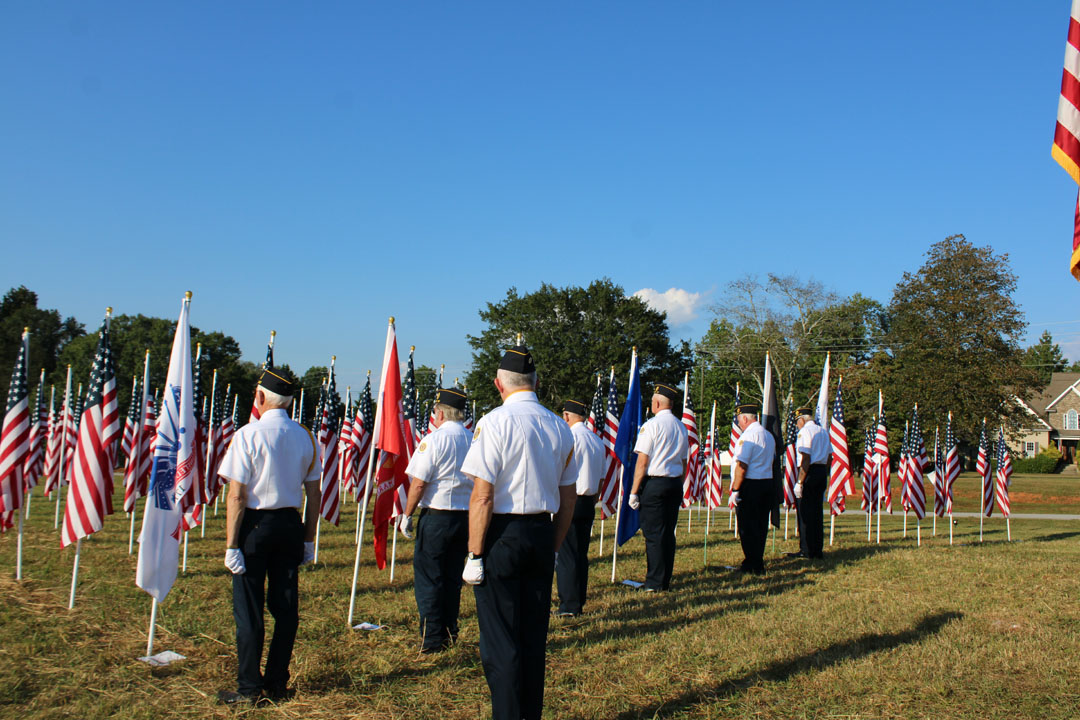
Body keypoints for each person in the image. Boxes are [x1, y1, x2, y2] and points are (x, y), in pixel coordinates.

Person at [460, 345, 577, 720]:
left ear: (498, 384)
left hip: (502, 535)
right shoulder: (560, 426)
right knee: (532, 639)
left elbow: (482, 496)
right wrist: (555, 545)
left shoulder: (492, 423)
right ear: (536, 381)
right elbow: (568, 496)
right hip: (543, 532)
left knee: (500, 641)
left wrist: (475, 555)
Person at [216, 367, 321, 705]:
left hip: (255, 527)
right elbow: (314, 494)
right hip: (290, 525)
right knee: (286, 608)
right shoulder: (305, 436)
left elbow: (236, 496)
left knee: (249, 611)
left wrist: (232, 544)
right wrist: (308, 539)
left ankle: (248, 688)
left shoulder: (248, 435)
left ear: (261, 398)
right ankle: (277, 682)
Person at [399, 386, 473, 653]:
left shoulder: (434, 439)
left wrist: (407, 514)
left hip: (437, 517)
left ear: (440, 413)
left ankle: (431, 639)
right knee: (453, 578)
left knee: (430, 579)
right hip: (465, 518)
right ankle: (449, 631)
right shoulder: (473, 438)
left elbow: (418, 483)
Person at [627, 383, 689, 592]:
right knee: (667, 533)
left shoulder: (651, 425)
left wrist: (634, 491)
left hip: (655, 483)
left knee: (653, 534)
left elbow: (642, 461)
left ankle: (654, 582)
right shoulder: (681, 427)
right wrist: (678, 483)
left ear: (656, 403)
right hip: (673, 482)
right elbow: (684, 462)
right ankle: (664, 579)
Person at [555, 398, 606, 616]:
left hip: (572, 500)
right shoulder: (596, 440)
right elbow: (603, 477)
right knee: (580, 554)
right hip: (589, 500)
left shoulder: (570, 437)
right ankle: (578, 599)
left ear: (567, 416)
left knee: (567, 555)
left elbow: (560, 472)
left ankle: (569, 605)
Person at [729, 403, 776, 575]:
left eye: (739, 420)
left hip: (751, 485)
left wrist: (735, 490)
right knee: (760, 526)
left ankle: (751, 563)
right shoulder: (768, 435)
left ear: (745, 418)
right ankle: (757, 561)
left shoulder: (748, 436)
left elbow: (741, 466)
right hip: (766, 483)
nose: (739, 424)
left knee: (747, 527)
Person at [790, 406, 830, 559]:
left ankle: (806, 549)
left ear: (801, 420)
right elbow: (829, 457)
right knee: (817, 513)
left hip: (808, 472)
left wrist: (800, 481)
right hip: (820, 471)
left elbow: (805, 457)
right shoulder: (823, 431)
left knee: (805, 513)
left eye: (797, 422)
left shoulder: (804, 432)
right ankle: (816, 549)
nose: (797, 425)